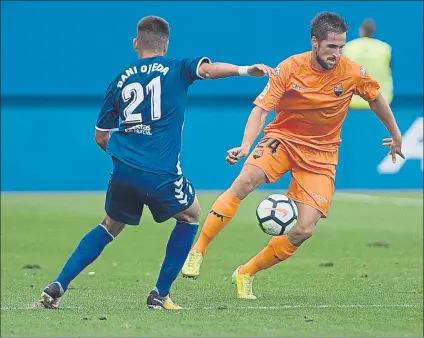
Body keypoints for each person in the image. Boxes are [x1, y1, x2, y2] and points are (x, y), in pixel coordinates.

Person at [37, 16, 274, 310]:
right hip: (160, 171)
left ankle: (59, 285)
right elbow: (209, 70)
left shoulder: (120, 80)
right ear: (166, 44)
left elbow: (100, 137)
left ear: (137, 43)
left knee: (110, 224)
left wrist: (126, 154)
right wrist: (245, 70)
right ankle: (160, 294)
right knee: (191, 215)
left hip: (123, 167)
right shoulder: (177, 67)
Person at [182, 12, 404, 299]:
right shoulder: (289, 68)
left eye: (340, 47)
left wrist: (396, 134)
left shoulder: (351, 72)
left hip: (321, 154)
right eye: (330, 47)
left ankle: (246, 272)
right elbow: (261, 109)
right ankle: (198, 250)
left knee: (304, 230)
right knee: (245, 180)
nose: (336, 54)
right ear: (315, 42)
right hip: (283, 140)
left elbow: (375, 98)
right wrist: (246, 144)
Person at [343, 19, 393, 109]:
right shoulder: (385, 48)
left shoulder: (348, 47)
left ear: (361, 30)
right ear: (373, 32)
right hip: (381, 102)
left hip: (352, 102)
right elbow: (390, 70)